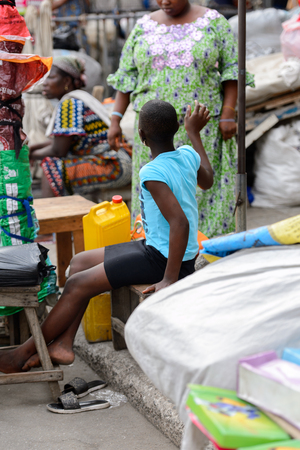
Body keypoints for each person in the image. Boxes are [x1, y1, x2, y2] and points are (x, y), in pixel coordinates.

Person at [0, 99, 213, 374]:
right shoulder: (187, 154)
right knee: (78, 262)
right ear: (176, 129)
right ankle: (63, 344)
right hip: (157, 248)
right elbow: (207, 180)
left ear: (141, 136)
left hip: (164, 259)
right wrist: (194, 134)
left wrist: (169, 279)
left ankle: (25, 352)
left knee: (76, 284)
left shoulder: (152, 171)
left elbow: (180, 224)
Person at [107, 0, 254, 238]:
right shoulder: (143, 26)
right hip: (152, 133)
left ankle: (206, 252)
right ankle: (157, 251)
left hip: (200, 126)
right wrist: (115, 120)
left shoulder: (214, 22)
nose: (164, 1)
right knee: (158, 189)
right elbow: (126, 77)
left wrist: (228, 112)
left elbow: (232, 70)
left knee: (201, 189)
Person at [29, 55, 132, 198]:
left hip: (113, 165)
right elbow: (60, 141)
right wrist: (31, 148)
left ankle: (52, 216)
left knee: (52, 166)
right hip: (118, 161)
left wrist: (28, 154)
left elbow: (59, 150)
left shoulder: (69, 105)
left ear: (66, 81)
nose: (44, 83)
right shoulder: (78, 99)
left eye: (50, 78)